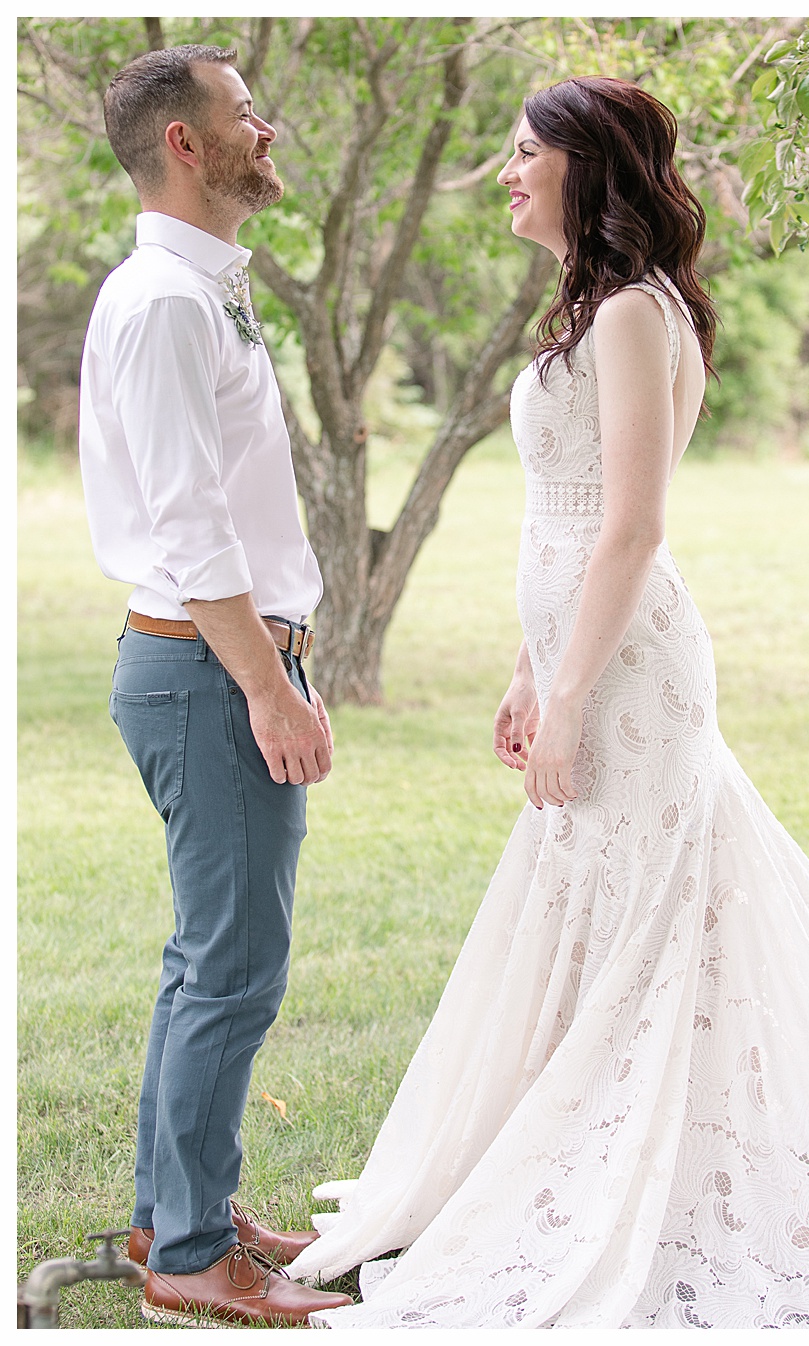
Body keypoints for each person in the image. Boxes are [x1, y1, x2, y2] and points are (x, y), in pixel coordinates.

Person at [285, 76, 809, 1328]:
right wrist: (529, 666)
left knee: (645, 920)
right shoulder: (597, 308)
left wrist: (568, 695)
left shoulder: (630, 315)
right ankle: (525, 1154)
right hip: (579, 653)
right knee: (587, 912)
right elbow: (558, 523)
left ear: (587, 164)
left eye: (524, 153)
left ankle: (622, 1174)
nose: (506, 172)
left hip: (630, 672)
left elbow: (631, 526)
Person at [78, 44, 353, 1327]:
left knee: (211, 960)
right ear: (187, 145)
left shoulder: (206, 288)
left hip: (218, 660)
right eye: (249, 115)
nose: (271, 129)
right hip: (202, 669)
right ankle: (190, 1253)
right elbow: (189, 527)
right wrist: (269, 684)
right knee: (235, 965)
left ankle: (172, 1206)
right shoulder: (165, 303)